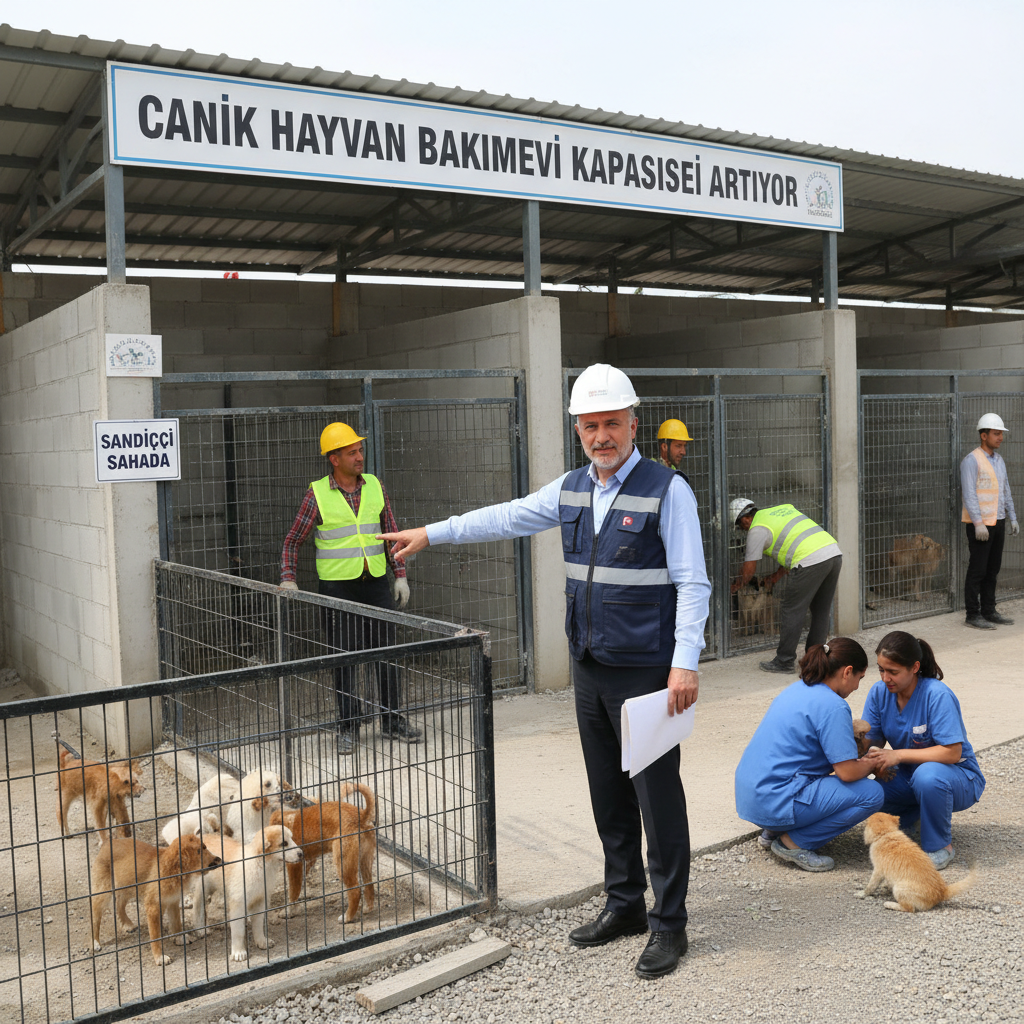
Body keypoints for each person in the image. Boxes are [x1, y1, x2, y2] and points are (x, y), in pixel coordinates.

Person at [379, 363, 711, 980]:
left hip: (645, 672)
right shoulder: (571, 489)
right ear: (578, 430)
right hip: (591, 667)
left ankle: (670, 925)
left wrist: (684, 665)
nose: (601, 436)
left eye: (612, 423)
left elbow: (693, 582)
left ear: (632, 423)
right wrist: (433, 533)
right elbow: (506, 516)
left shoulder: (669, 491)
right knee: (609, 798)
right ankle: (625, 905)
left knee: (657, 802)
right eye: (590, 426)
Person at [280, 422, 422, 754]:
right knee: (344, 658)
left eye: (360, 450)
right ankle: (348, 727)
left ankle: (392, 720)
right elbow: (292, 542)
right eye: (352, 452)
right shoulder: (317, 494)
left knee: (387, 652)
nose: (360, 457)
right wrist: (288, 577)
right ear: (334, 459)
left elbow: (392, 532)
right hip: (337, 588)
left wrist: (399, 574)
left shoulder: (374, 486)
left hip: (374, 583)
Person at [734, 637, 884, 871]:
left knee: (810, 773)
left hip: (751, 796)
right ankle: (793, 843)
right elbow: (847, 772)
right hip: (774, 800)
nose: (856, 687)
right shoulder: (834, 705)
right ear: (847, 672)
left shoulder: (797, 688)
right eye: (859, 679)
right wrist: (874, 763)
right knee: (872, 793)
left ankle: (773, 829)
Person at [861, 631, 985, 870]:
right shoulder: (879, 693)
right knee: (866, 792)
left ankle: (939, 846)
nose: (885, 678)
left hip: (957, 777)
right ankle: (917, 815)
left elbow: (952, 753)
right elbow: (870, 741)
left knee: (927, 776)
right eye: (881, 670)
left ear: (915, 667)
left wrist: (897, 755)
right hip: (909, 775)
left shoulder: (936, 695)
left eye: (893, 672)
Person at [728, 498, 842, 675]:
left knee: (791, 609)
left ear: (744, 519)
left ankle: (784, 661)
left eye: (740, 527)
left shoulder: (756, 530)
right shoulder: (782, 509)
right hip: (833, 553)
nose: (743, 530)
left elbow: (749, 570)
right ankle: (816, 661)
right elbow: (793, 545)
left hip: (810, 560)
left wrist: (737, 584)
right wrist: (774, 577)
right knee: (821, 610)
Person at [960, 412, 1018, 630]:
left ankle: (989, 610)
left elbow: (1005, 490)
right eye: (996, 433)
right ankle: (972, 614)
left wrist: (1012, 517)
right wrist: (978, 523)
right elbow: (969, 494)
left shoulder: (999, 460)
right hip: (982, 526)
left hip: (998, 522)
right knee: (978, 570)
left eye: (1001, 433)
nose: (1000, 437)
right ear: (983, 435)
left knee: (992, 570)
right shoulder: (971, 460)